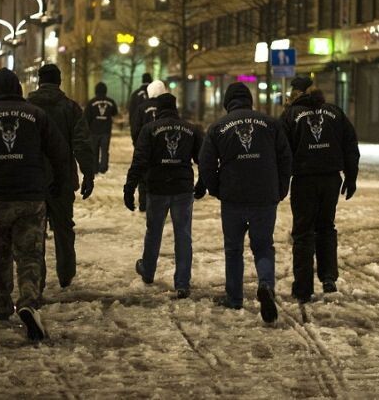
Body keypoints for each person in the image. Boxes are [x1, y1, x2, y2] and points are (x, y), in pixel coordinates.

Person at [0, 68, 70, 341]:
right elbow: (59, 151)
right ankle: (29, 301)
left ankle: (1, 305)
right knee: (30, 254)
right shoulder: (37, 115)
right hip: (31, 197)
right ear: (18, 89)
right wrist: (59, 183)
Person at [198, 82, 292, 323]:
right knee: (263, 246)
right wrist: (280, 189)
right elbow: (285, 158)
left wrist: (218, 189)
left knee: (233, 249)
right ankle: (266, 284)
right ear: (250, 100)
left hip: (233, 198)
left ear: (227, 103)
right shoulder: (271, 124)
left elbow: (206, 164)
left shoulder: (218, 127)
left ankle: (234, 296)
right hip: (264, 196)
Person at [124, 93, 205, 299]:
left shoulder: (149, 129)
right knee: (183, 234)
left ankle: (148, 271)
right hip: (182, 189)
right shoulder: (191, 129)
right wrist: (202, 183)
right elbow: (203, 158)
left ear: (158, 109)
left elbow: (139, 161)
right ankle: (182, 283)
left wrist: (130, 187)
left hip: (157, 188)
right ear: (175, 108)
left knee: (154, 231)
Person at [282, 88, 359, 301]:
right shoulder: (335, 112)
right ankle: (328, 278)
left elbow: (282, 149)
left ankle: (303, 287)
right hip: (331, 179)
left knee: (303, 231)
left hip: (304, 180)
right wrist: (351, 176)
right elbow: (350, 144)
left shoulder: (291, 115)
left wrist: (281, 181)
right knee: (326, 226)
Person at [27, 64, 95, 290]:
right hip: (62, 178)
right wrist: (88, 174)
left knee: (34, 231)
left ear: (39, 81)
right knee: (64, 228)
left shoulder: (27, 108)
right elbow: (82, 143)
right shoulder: (70, 108)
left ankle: (38, 277)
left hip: (33, 179)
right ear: (59, 81)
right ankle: (66, 273)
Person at [130, 79, 169, 211]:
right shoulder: (166, 107)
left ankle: (143, 203)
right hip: (162, 147)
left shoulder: (141, 107)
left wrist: (137, 144)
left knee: (143, 175)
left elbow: (135, 128)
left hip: (145, 146)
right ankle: (159, 204)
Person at [85, 82, 118, 174]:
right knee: (105, 150)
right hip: (106, 130)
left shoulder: (91, 102)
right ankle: (103, 167)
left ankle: (94, 168)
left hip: (94, 131)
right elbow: (115, 113)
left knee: (94, 150)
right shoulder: (111, 102)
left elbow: (86, 117)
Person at [128, 72, 152, 141]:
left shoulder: (135, 94)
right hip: (152, 127)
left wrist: (132, 126)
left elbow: (131, 112)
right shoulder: (155, 93)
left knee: (139, 149)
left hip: (138, 127)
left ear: (142, 80)